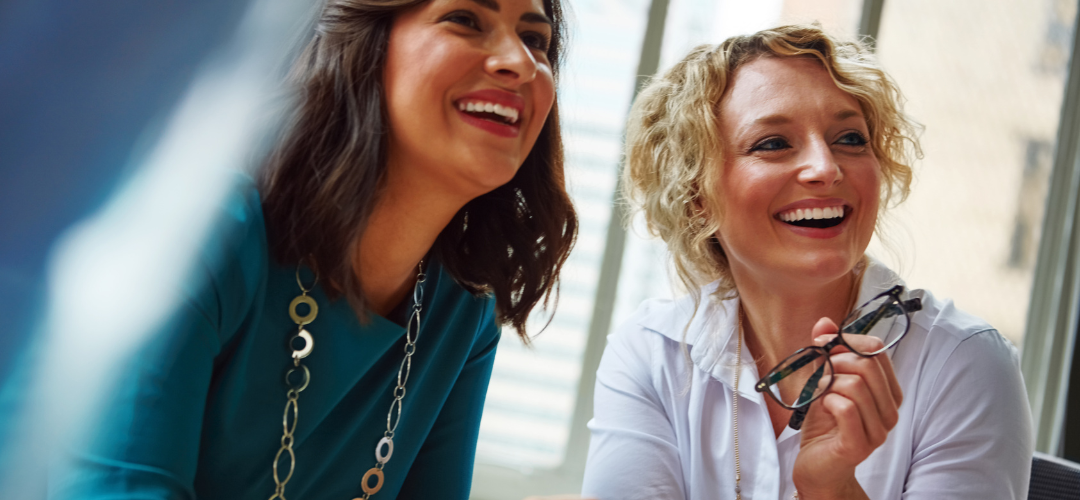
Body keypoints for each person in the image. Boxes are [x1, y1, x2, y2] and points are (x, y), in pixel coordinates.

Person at [52, 0, 576, 498]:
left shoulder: (462, 313)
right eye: (464, 18)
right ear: (363, 45)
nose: (520, 63)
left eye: (535, 39)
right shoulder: (198, 235)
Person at [581, 25, 1032, 500]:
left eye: (851, 139)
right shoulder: (652, 355)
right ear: (697, 197)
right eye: (773, 143)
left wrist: (831, 488)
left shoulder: (965, 363)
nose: (826, 167)